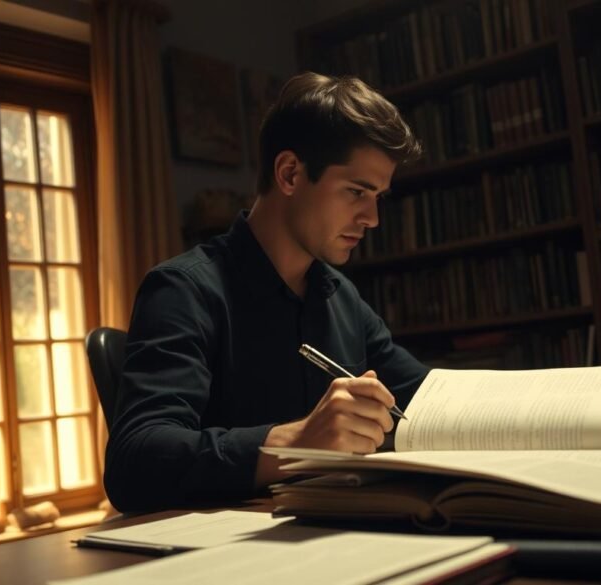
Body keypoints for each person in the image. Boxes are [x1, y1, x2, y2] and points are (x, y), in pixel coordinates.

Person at [104, 72, 429, 511]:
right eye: (356, 192)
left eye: (379, 197)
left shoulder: (341, 297)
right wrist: (296, 441)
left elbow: (425, 399)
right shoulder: (183, 290)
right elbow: (134, 463)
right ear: (290, 173)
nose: (372, 218)